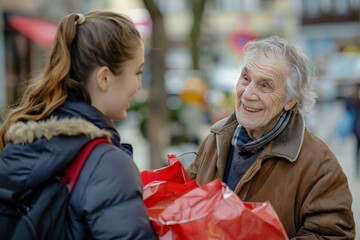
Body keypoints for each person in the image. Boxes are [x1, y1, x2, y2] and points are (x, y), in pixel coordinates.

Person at [0, 11, 156, 239]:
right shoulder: (107, 164)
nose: (139, 85)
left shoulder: (22, 146)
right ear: (104, 78)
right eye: (138, 72)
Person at [186, 35, 355, 238]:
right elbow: (186, 201)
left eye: (264, 86)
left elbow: (332, 235)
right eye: (246, 79)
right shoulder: (216, 138)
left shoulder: (320, 166)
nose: (248, 93)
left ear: (290, 100)